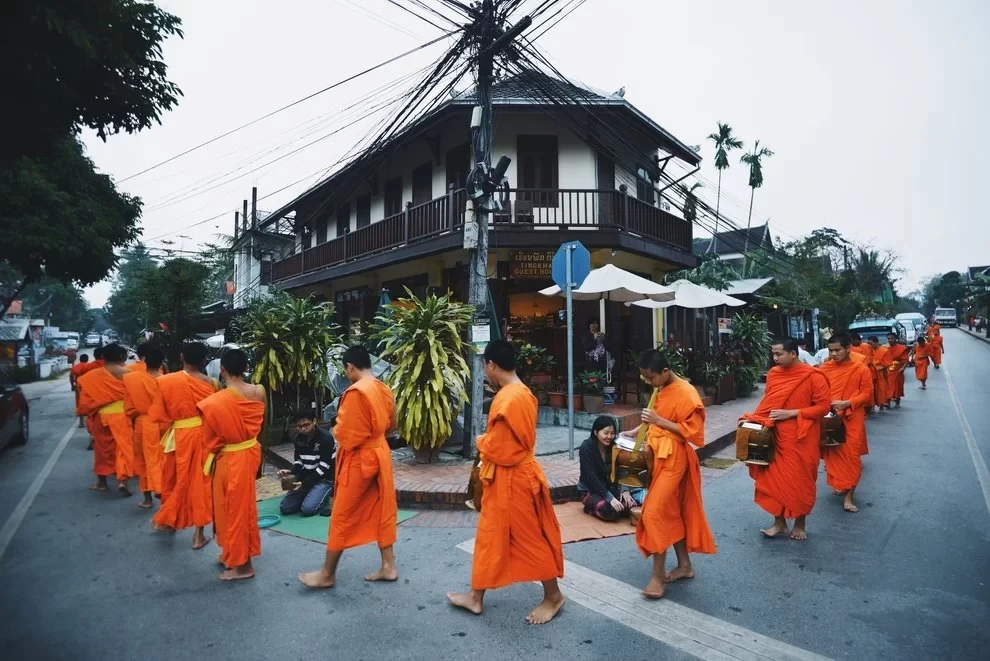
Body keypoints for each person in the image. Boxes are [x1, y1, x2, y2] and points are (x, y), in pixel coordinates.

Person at [448, 340, 564, 625]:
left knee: (530, 538)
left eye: (485, 366)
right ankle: (476, 596)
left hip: (515, 479)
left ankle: (553, 596)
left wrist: (481, 441)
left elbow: (502, 448)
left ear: (491, 364)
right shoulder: (519, 392)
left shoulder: (509, 397)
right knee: (489, 537)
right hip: (508, 478)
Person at [299, 345, 398, 589]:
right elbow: (393, 425)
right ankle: (388, 566)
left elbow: (345, 436)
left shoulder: (355, 392)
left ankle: (327, 574)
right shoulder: (383, 388)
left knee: (341, 513)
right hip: (380, 452)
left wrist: (335, 430)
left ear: (350, 366)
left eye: (346, 371)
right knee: (382, 507)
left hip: (360, 458)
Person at [630, 350, 715, 600]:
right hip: (657, 456)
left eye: (651, 378)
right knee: (671, 511)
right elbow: (657, 420)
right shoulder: (662, 388)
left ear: (665, 372)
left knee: (655, 512)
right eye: (645, 378)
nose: (648, 382)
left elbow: (692, 432)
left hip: (674, 458)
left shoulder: (687, 392)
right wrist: (637, 431)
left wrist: (658, 420)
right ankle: (685, 565)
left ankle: (657, 576)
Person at [741, 337, 830, 540]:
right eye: (773, 354)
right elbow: (769, 401)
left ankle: (800, 524)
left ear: (793, 353)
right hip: (776, 435)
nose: (775, 358)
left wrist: (792, 413)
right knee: (775, 480)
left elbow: (824, 407)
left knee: (801, 480)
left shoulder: (813, 376)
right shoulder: (774, 374)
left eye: (779, 354)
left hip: (802, 436)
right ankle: (779, 523)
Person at [198, 348, 265, 581]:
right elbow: (258, 425)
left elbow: (211, 440)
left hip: (230, 459)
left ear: (222, 369)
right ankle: (232, 553)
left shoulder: (214, 403)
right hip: (250, 451)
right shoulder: (258, 391)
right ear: (246, 368)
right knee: (238, 507)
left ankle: (244, 566)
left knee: (234, 510)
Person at [150, 342, 218, 550]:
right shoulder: (212, 383)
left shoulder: (166, 381)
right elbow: (217, 413)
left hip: (178, 437)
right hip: (204, 436)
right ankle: (198, 535)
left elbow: (159, 415)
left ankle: (168, 520)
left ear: (181, 357)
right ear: (204, 360)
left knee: (172, 480)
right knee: (201, 484)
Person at [819, 332, 873, 513]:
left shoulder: (860, 368)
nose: (834, 354)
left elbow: (866, 393)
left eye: (838, 350)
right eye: (831, 350)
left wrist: (847, 403)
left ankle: (849, 496)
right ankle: (841, 483)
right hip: (830, 418)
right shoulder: (825, 368)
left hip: (851, 417)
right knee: (833, 453)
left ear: (848, 348)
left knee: (851, 457)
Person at [76, 344, 135, 496]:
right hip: (122, 416)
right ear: (121, 357)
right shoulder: (129, 374)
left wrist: (88, 411)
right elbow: (136, 398)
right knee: (123, 449)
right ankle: (123, 481)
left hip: (101, 417)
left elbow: (85, 403)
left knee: (101, 450)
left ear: (103, 357)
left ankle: (102, 483)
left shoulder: (91, 377)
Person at [123, 345, 167, 509]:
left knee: (143, 459)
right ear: (162, 363)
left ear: (145, 361)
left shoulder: (131, 379)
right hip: (165, 423)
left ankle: (149, 497)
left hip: (144, 422)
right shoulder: (168, 380)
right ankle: (162, 487)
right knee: (162, 458)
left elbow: (128, 407)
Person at [577, 416, 638, 521]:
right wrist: (610, 498)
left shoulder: (614, 447)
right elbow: (591, 478)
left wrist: (624, 490)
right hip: (590, 491)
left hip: (609, 488)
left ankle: (604, 507)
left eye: (612, 433)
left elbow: (622, 468)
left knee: (631, 505)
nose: (609, 436)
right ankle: (590, 508)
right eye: (606, 433)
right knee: (609, 511)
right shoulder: (586, 448)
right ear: (596, 432)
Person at [278, 409, 335, 517]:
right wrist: (290, 472)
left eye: (306, 424)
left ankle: (326, 492)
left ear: (314, 421)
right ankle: (310, 494)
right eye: (299, 426)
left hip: (324, 479)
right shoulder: (298, 439)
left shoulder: (326, 438)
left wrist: (304, 483)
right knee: (285, 508)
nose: (303, 428)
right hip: (306, 478)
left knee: (307, 510)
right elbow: (299, 461)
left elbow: (323, 467)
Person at [848, 333, 877, 412]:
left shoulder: (865, 346)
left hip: (866, 370)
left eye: (852, 341)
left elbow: (866, 361)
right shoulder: (858, 347)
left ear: (856, 340)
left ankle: (869, 407)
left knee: (867, 389)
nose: (852, 344)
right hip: (860, 369)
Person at [882, 332, 909, 408]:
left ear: (896, 339)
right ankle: (887, 401)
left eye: (892, 338)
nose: (890, 340)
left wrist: (902, 368)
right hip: (887, 369)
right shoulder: (885, 348)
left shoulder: (901, 348)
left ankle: (897, 400)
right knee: (887, 385)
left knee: (897, 386)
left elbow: (905, 360)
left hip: (897, 369)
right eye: (889, 339)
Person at [868, 336, 889, 411]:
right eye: (868, 344)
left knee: (881, 390)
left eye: (871, 343)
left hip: (880, 374)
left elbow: (888, 362)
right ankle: (872, 406)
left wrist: (880, 367)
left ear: (876, 342)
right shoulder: (868, 351)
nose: (870, 345)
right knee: (872, 390)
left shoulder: (884, 350)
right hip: (870, 373)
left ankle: (881, 405)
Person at [70, 354, 90, 428]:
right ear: (87, 359)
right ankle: (89, 422)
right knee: (90, 403)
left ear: (80, 359)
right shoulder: (90, 366)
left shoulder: (75, 367)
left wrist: (72, 385)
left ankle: (81, 423)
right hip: (89, 386)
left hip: (79, 386)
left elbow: (71, 377)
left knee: (80, 404)